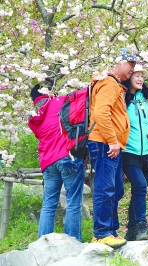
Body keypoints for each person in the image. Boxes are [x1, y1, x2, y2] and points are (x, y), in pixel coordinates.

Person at [87, 48, 136, 248]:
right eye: (130, 64)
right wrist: (112, 140)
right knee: (105, 187)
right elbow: (100, 113)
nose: (133, 69)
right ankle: (101, 233)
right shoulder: (108, 83)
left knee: (115, 188)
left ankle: (111, 230)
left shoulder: (115, 85)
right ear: (119, 62)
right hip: (105, 143)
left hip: (110, 143)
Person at [28, 84, 85, 242]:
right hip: (67, 156)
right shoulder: (60, 101)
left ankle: (42, 245)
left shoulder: (32, 115)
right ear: (48, 91)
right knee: (73, 202)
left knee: (48, 204)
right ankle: (73, 244)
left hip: (48, 161)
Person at [121, 64, 148, 241]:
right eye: (136, 75)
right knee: (140, 186)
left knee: (139, 191)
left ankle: (131, 230)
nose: (140, 79)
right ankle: (142, 226)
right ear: (129, 77)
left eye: (142, 76)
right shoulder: (122, 97)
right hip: (130, 151)